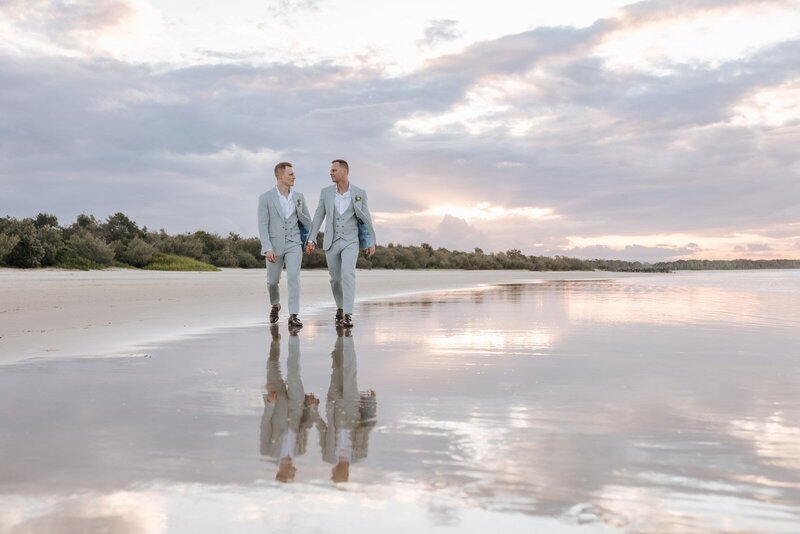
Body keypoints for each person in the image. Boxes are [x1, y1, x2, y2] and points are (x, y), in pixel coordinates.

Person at [305, 159, 376, 327]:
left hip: (351, 241)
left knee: (347, 275)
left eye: (334, 170)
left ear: (344, 172)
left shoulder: (359, 193)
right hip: (332, 241)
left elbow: (366, 219)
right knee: (335, 279)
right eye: (331, 170)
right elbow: (318, 217)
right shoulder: (326, 193)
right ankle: (340, 307)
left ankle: (348, 314)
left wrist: (370, 241)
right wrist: (311, 238)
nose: (331, 173)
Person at [314, 327, 377, 483]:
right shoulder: (360, 454)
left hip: (333, 406)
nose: (338, 471)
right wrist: (370, 403)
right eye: (341, 475)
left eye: (336, 474)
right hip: (351, 408)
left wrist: (313, 409)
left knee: (336, 370)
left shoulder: (328, 456)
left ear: (333, 471)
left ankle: (339, 340)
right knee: (349, 373)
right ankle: (348, 339)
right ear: (347, 474)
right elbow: (366, 427)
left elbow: (322, 429)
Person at [260, 324, 319, 483]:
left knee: (272, 365)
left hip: (276, 403)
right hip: (296, 404)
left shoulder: (268, 452)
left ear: (278, 473)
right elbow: (305, 425)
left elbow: (265, 425)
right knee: (294, 372)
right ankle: (294, 338)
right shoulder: (300, 451)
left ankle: (276, 342)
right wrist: (312, 406)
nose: (290, 471)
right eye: (291, 474)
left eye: (285, 474)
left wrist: (270, 404)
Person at [257, 162, 312, 327]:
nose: (294, 177)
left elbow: (307, 221)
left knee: (294, 277)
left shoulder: (299, 197)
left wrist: (311, 240)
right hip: (274, 245)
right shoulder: (265, 198)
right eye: (290, 174)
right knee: (272, 281)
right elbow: (262, 225)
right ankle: (275, 304)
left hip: (294, 243)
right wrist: (267, 248)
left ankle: (293, 315)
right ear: (280, 176)